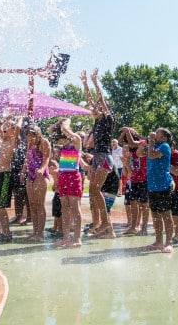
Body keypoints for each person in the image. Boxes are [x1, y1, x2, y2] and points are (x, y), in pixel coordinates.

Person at [80, 68, 116, 239]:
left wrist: (94, 82)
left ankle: (105, 223)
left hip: (105, 158)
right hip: (97, 158)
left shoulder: (108, 120)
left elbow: (100, 99)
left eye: (98, 108)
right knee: (93, 192)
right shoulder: (97, 122)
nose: (94, 109)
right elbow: (90, 100)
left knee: (95, 189)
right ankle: (105, 224)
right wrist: (85, 83)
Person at [49, 118, 86, 248]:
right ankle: (66, 238)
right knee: (65, 209)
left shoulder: (76, 141)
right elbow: (50, 130)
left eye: (60, 139)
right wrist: (58, 123)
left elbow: (64, 129)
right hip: (63, 177)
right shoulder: (64, 145)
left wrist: (65, 121)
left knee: (75, 208)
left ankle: (77, 238)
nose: (59, 142)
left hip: (73, 177)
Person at [0, 116, 23, 242]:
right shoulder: (4, 140)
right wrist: (7, 119)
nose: (4, 130)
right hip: (1, 174)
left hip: (7, 175)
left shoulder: (13, 141)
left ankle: (7, 233)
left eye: (8, 128)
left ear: (13, 130)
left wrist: (20, 118)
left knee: (2, 204)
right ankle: (4, 231)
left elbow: (19, 128)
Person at [145, 127, 175, 253]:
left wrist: (151, 140)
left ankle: (169, 243)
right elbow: (140, 153)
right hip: (152, 186)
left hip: (163, 185)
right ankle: (158, 241)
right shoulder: (153, 147)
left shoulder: (164, 146)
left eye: (158, 133)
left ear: (164, 137)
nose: (155, 134)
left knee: (166, 214)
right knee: (156, 215)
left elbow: (151, 155)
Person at [22, 124, 51, 242]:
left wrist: (42, 169)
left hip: (41, 174)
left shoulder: (44, 142)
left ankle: (40, 234)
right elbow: (27, 159)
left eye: (31, 137)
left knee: (40, 204)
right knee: (32, 204)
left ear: (37, 134)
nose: (30, 139)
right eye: (28, 137)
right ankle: (34, 232)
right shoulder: (30, 144)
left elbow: (47, 158)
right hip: (30, 174)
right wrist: (23, 171)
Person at [119, 127, 149, 236]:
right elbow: (120, 141)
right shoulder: (131, 153)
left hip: (145, 179)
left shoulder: (143, 145)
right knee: (133, 203)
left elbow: (131, 142)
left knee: (144, 204)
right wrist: (126, 163)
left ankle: (144, 228)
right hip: (134, 179)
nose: (128, 146)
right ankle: (134, 226)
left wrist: (128, 131)